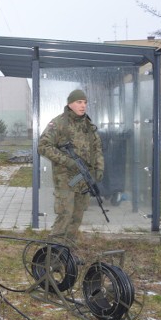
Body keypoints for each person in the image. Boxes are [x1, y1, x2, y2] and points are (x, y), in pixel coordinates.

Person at [38, 89, 104, 244]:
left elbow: (97, 148)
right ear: (70, 104)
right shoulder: (59, 123)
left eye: (85, 102)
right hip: (65, 179)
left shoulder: (88, 125)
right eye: (79, 102)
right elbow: (43, 146)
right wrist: (68, 161)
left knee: (77, 217)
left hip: (84, 179)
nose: (83, 106)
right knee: (65, 216)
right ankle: (51, 256)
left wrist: (99, 168)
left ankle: (68, 254)